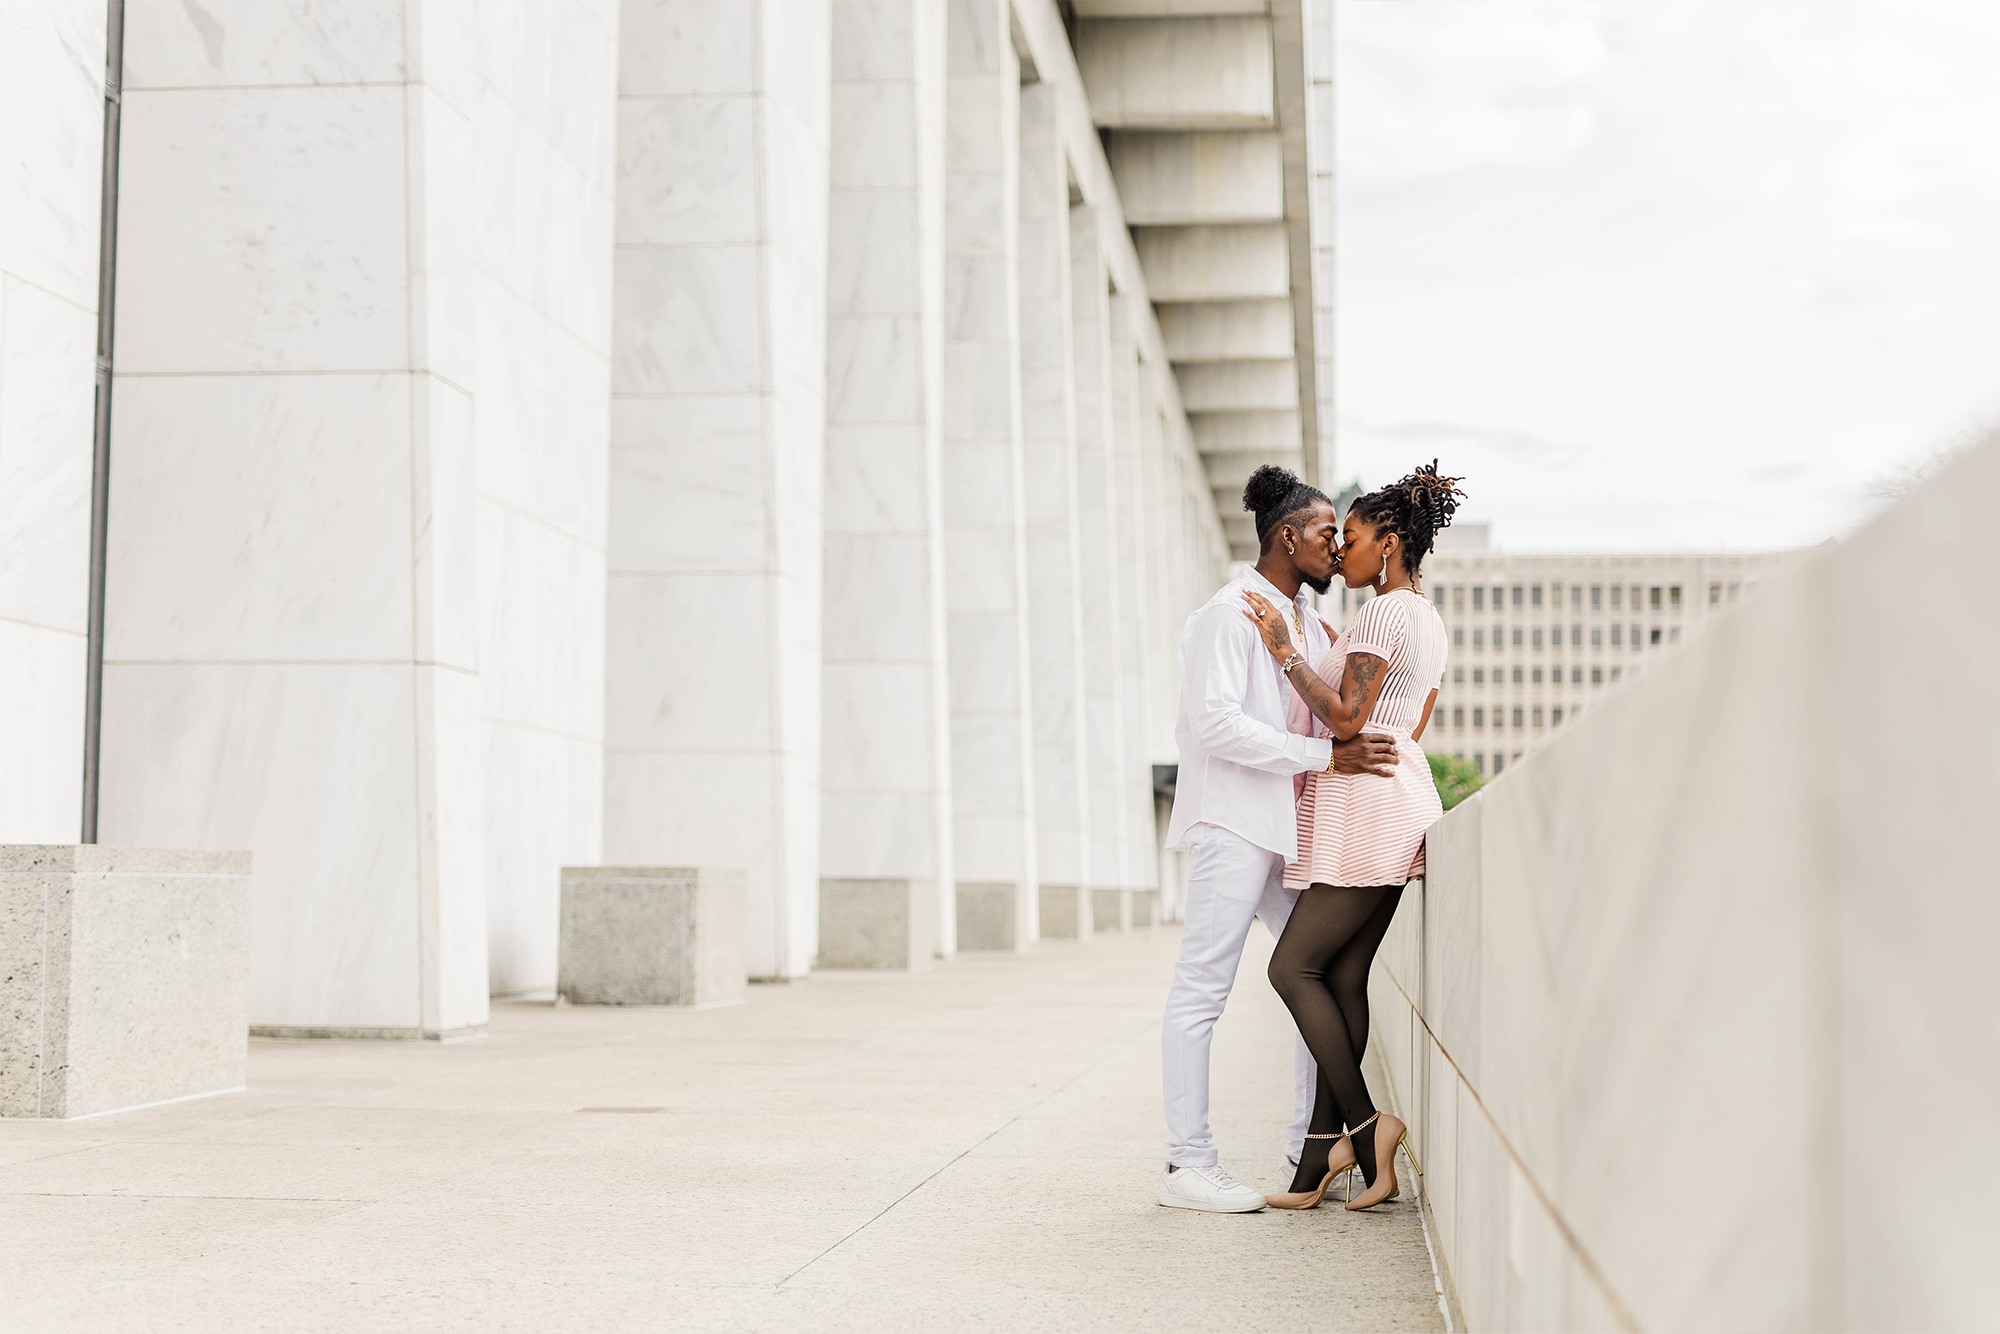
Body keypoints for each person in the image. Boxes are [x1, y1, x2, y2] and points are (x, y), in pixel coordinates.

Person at [1157, 466, 1399, 1214]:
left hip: (1288, 829)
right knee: (1203, 988)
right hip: (1235, 821)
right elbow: (1216, 726)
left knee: (1309, 979)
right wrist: (1323, 757)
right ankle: (1187, 1167)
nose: (1337, 547)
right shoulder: (1229, 616)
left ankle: (1310, 1146)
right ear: (1287, 536)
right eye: (1328, 533)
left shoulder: (1304, 622)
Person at [1245, 461, 1464, 1213]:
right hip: (1394, 792)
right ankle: (1316, 1159)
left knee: (1291, 970)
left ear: (1392, 543)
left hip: (1366, 804)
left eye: (1357, 537)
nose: (1342, 551)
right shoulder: (1426, 619)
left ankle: (1370, 1129)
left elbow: (1344, 719)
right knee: (1340, 978)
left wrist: (1285, 648)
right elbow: (1413, 723)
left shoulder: (1383, 614)